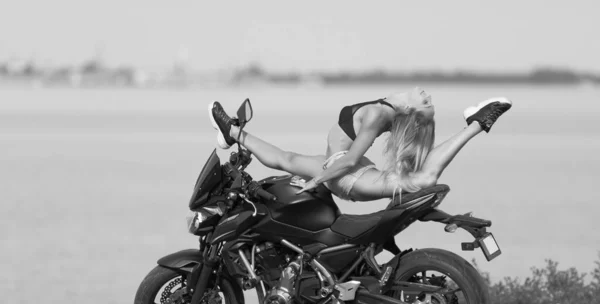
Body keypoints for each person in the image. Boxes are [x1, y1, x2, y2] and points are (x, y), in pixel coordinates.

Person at [208, 88, 512, 201]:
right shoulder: (390, 107)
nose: (427, 96)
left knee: (424, 179)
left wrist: (316, 180)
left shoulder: (381, 114)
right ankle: (231, 132)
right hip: (337, 161)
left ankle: (477, 123)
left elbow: (352, 160)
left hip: (346, 173)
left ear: (412, 113)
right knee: (285, 159)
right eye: (429, 101)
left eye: (426, 104)